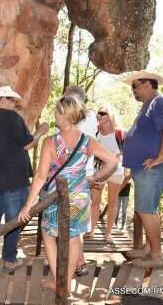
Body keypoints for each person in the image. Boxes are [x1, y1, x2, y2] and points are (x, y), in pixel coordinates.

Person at [18, 95, 118, 290]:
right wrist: (95, 177)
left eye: (56, 111)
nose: (55, 114)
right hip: (80, 197)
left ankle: (59, 281)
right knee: (74, 239)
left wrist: (28, 205)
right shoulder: (87, 141)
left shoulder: (50, 142)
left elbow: (40, 178)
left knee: (48, 235)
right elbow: (113, 162)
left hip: (56, 198)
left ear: (63, 115)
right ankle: (66, 282)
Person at [0, 86, 49, 271]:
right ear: (4, 99)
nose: (14, 105)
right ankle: (9, 259)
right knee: (13, 219)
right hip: (15, 179)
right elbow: (27, 145)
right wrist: (40, 131)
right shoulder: (13, 118)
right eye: (12, 101)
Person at [122, 70, 163, 268]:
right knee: (149, 210)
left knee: (145, 211)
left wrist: (160, 157)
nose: (133, 91)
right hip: (144, 169)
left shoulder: (160, 102)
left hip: (153, 169)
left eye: (135, 86)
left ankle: (156, 257)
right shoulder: (148, 106)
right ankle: (148, 249)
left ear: (147, 84)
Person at [63, 85, 98, 276]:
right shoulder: (89, 119)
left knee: (71, 225)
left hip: (74, 177)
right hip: (83, 176)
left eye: (67, 100)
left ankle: (76, 265)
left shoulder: (82, 121)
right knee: (74, 224)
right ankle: (79, 262)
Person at [90, 104, 126, 242]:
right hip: (98, 170)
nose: (99, 115)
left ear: (110, 116)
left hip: (116, 171)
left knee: (112, 202)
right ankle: (91, 230)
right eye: (98, 113)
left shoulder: (119, 133)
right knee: (95, 202)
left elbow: (124, 154)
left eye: (102, 113)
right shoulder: (95, 132)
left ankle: (108, 233)